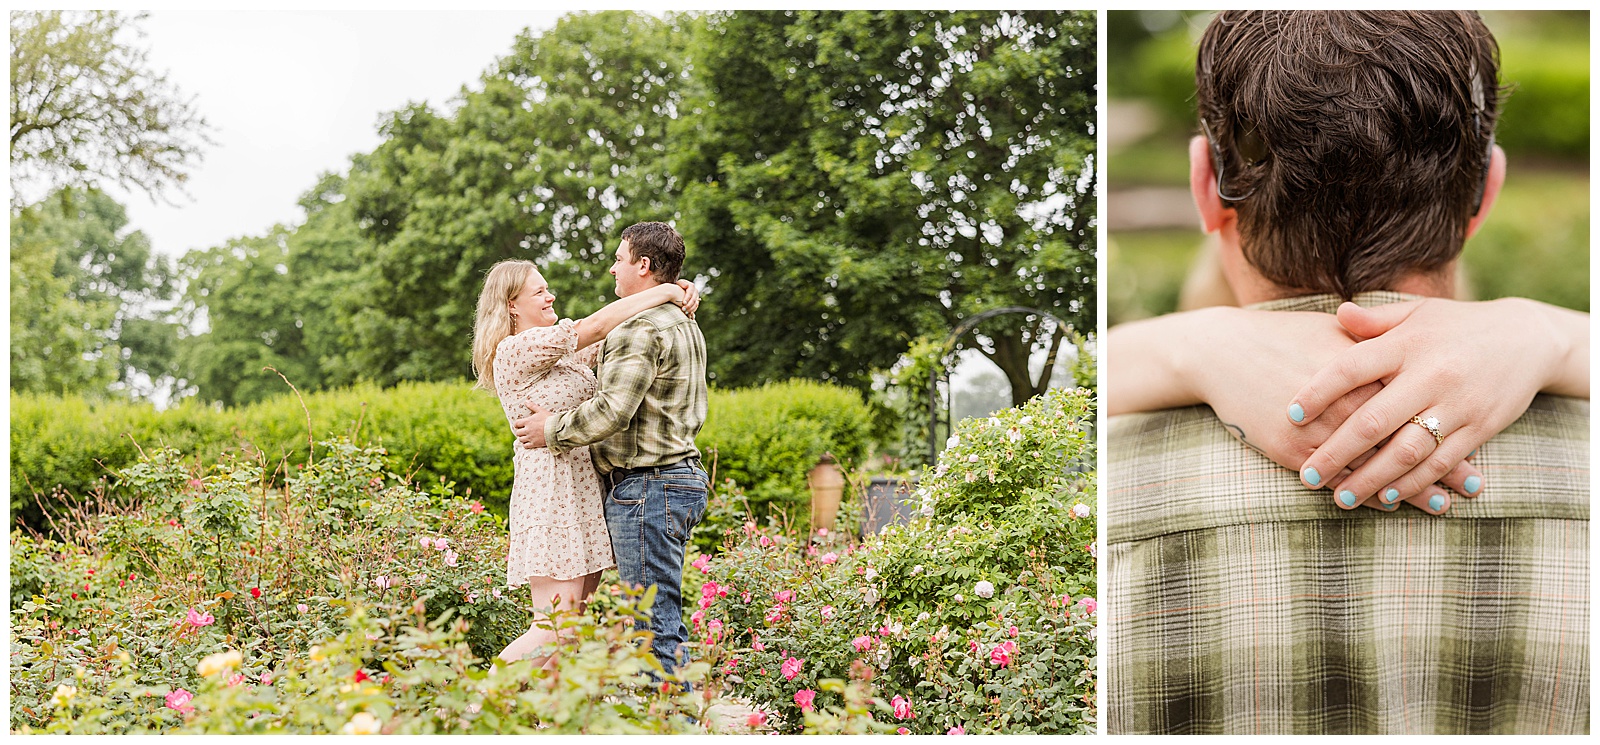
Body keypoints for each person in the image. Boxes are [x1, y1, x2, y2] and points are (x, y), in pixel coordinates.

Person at [1105, 11, 1589, 734]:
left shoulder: (1094, 497)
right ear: (1486, 192)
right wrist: (1555, 330)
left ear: (1206, 188)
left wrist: (1184, 344)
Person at [470, 257, 697, 666]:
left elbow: (617, 324)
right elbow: (594, 326)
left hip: (586, 493)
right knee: (552, 628)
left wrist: (680, 286)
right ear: (511, 306)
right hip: (552, 494)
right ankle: (476, 711)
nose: (550, 294)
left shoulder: (563, 358)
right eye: (539, 291)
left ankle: (544, 721)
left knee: (571, 627)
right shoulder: (516, 349)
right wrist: (664, 290)